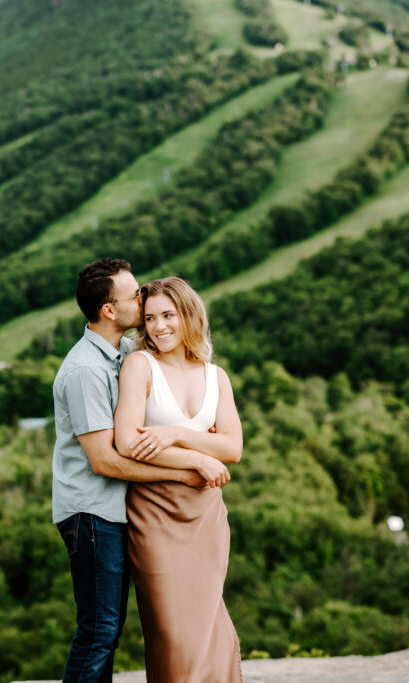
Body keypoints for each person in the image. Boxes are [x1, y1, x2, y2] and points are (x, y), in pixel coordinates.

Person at [52, 260, 214, 683]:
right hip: (91, 513)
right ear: (109, 310)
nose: (143, 300)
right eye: (135, 295)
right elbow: (105, 460)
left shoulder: (124, 353)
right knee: (98, 630)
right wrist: (185, 471)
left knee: (109, 629)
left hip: (118, 511)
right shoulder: (85, 370)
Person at [113, 276, 244, 682]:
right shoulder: (140, 365)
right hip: (154, 516)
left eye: (168, 315)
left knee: (210, 629)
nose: (158, 327)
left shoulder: (215, 376)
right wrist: (199, 459)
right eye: (150, 318)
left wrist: (175, 435)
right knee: (173, 634)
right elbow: (127, 442)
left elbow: (233, 448)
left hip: (206, 518)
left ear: (189, 315)